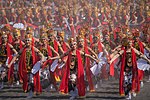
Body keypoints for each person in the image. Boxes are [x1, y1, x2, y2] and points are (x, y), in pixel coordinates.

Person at [8, 34, 44, 98]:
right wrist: (10, 64)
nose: (27, 42)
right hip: (25, 68)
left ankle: (31, 93)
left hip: (33, 68)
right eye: (26, 40)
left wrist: (41, 61)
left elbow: (41, 55)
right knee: (27, 81)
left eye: (28, 40)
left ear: (31, 42)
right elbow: (16, 56)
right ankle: (31, 91)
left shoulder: (33, 48)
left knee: (31, 81)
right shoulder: (23, 49)